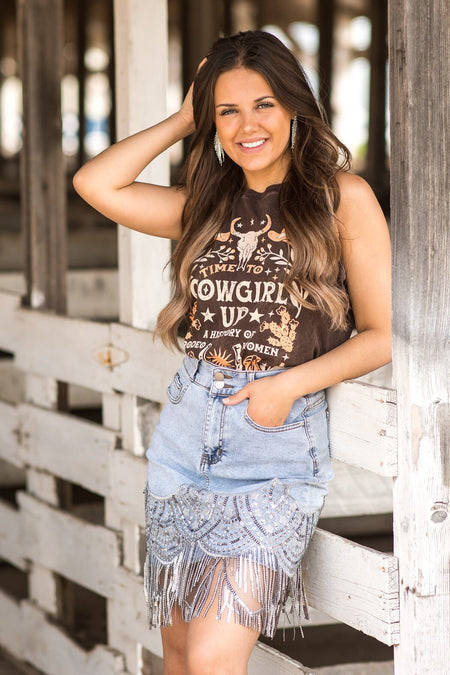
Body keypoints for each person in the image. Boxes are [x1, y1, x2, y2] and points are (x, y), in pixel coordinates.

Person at [73, 30, 391, 675]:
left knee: (217, 659)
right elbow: (96, 183)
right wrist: (184, 115)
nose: (247, 125)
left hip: (271, 451)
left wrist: (286, 385)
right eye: (228, 110)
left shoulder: (341, 198)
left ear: (295, 108)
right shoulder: (206, 204)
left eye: (264, 104)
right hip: (185, 439)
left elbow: (382, 335)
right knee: (183, 655)